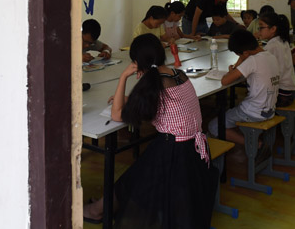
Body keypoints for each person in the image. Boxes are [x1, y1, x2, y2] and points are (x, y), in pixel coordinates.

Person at [82, 34, 218, 227]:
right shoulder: (177, 74)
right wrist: (134, 98)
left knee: (131, 181)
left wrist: (123, 77)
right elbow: (162, 102)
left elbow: (117, 114)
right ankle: (100, 206)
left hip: (174, 152)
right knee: (134, 177)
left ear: (136, 62)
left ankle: (98, 210)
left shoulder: (152, 84)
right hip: (194, 151)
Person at [208, 29, 279, 147]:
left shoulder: (252, 60)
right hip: (269, 109)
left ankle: (255, 144)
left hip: (253, 112)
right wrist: (240, 60)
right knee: (231, 113)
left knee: (214, 126)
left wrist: (235, 67)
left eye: (239, 54)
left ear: (245, 53)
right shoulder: (270, 56)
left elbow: (225, 81)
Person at [257, 12, 295, 108]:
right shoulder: (282, 41)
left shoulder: (272, 46)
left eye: (261, 27)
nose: (259, 31)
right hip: (288, 91)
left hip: (281, 94)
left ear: (273, 29)